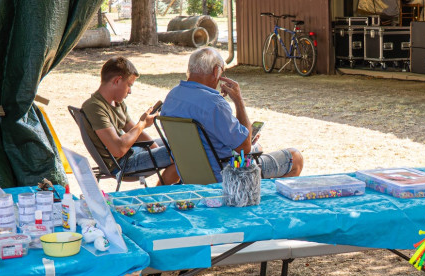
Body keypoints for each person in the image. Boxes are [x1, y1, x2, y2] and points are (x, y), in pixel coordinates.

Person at [162, 47, 303, 182]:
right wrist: (238, 101)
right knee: (295, 157)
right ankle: (255, 198)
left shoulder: (172, 96)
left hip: (189, 172)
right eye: (222, 71)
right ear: (216, 71)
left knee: (257, 147)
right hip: (225, 175)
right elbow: (245, 147)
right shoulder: (214, 103)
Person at [81, 56, 179, 184]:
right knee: (182, 153)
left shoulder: (117, 103)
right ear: (117, 81)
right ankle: (156, 197)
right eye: (129, 85)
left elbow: (135, 133)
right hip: (122, 164)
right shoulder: (95, 107)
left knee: (177, 144)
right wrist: (142, 124)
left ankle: (158, 193)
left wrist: (154, 148)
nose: (130, 91)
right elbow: (118, 149)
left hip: (131, 152)